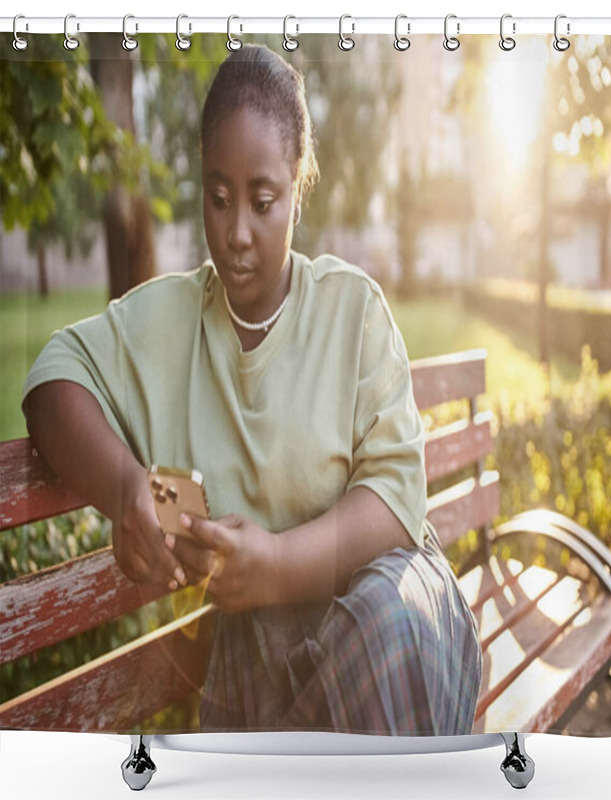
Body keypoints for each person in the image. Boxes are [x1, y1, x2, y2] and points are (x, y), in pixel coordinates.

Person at [22, 44, 482, 735]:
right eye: (217, 197)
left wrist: (276, 565)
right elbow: (51, 381)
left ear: (297, 186)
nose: (235, 232)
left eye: (262, 201)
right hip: (269, 652)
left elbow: (393, 502)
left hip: (398, 623)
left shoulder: (351, 310)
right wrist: (127, 493)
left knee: (387, 627)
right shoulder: (169, 323)